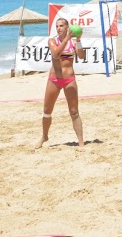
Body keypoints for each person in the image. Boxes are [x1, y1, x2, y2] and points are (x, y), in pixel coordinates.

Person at [36, 19, 85, 149]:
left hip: (69, 79)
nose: (59, 28)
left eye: (61, 26)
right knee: (47, 110)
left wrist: (78, 40)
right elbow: (56, 54)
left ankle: (81, 143)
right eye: (57, 26)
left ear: (67, 27)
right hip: (54, 79)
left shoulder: (73, 42)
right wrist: (66, 38)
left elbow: (81, 56)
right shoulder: (52, 41)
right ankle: (44, 136)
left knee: (74, 111)